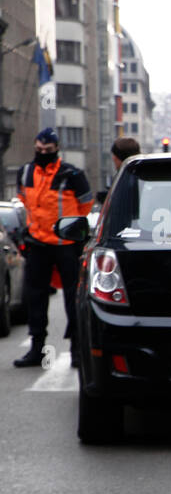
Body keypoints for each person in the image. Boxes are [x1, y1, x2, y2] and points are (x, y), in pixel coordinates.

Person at [12, 128, 93, 368]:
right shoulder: (26, 172)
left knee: (72, 298)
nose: (42, 153)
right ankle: (37, 349)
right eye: (39, 150)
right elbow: (25, 201)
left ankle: (77, 349)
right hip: (37, 244)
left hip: (65, 246)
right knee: (35, 298)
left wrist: (68, 229)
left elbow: (86, 205)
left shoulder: (72, 174)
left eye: (47, 150)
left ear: (57, 149)